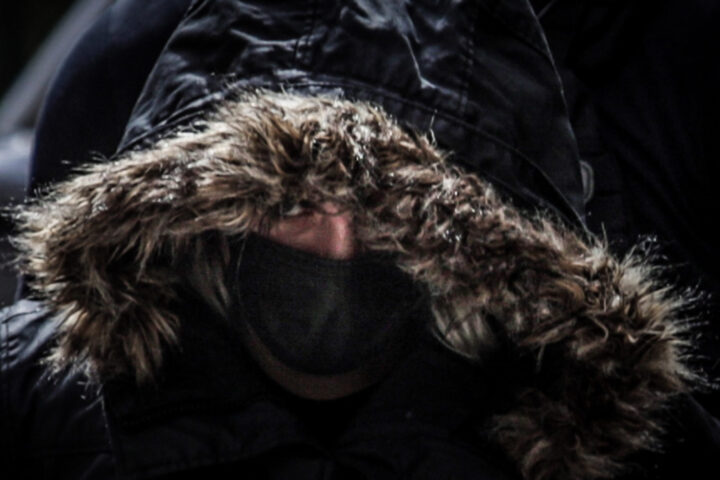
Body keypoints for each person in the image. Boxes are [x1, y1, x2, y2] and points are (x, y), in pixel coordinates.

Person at [3, 1, 719, 479]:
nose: (338, 242)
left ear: (466, 244)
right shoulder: (39, 410)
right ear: (205, 217)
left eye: (388, 216)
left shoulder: (607, 442)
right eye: (291, 202)